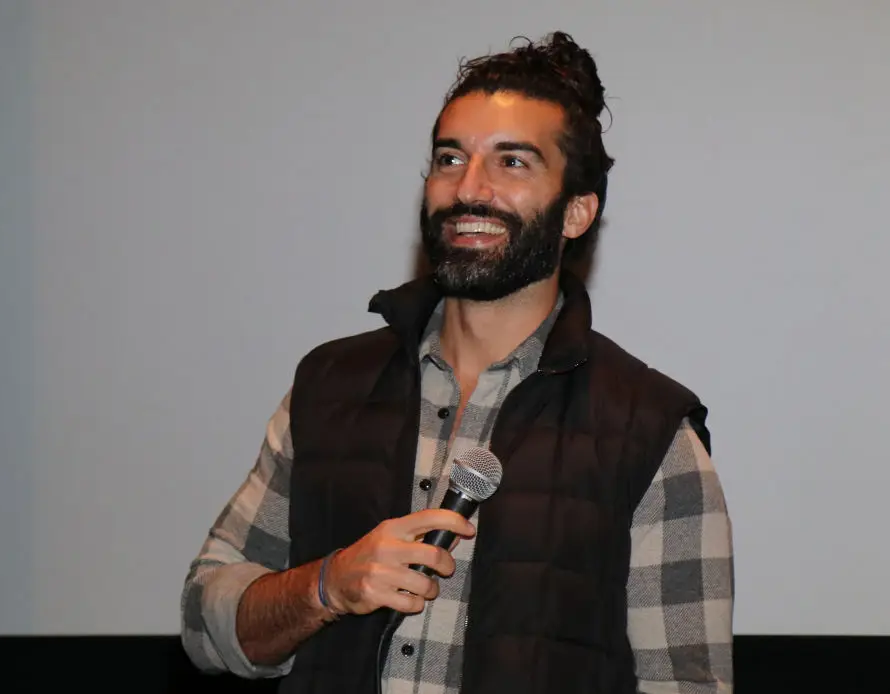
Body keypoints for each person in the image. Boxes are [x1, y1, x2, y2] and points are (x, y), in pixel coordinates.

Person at [181, 30, 734, 694]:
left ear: (578, 212)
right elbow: (205, 625)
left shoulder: (648, 431)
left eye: (512, 163)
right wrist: (326, 585)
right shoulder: (330, 388)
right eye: (450, 158)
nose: (469, 189)